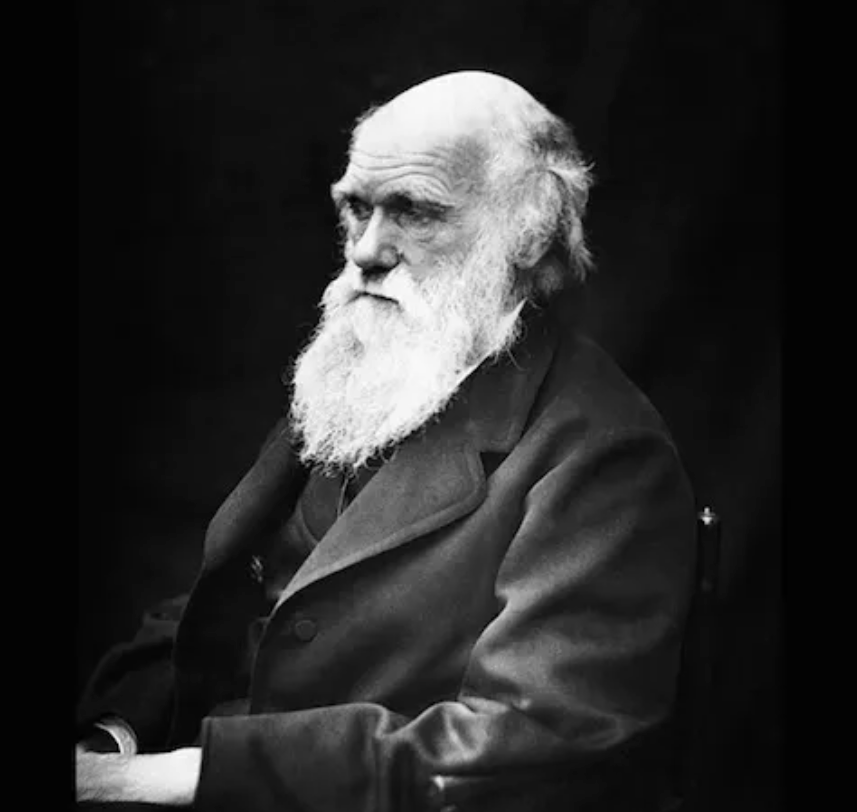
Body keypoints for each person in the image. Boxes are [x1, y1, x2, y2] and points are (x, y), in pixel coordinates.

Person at [75, 70, 697, 811]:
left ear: (527, 231)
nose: (368, 250)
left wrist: (177, 779)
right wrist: (110, 739)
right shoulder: (375, 375)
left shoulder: (607, 455)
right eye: (356, 209)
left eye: (415, 212)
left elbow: (534, 743)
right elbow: (225, 600)